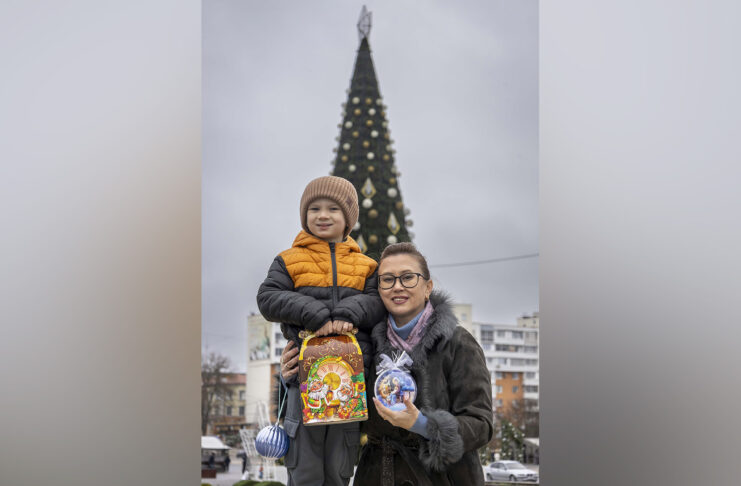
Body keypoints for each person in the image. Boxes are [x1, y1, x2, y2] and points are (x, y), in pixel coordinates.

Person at [257, 176, 386, 486]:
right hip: (305, 381)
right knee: (305, 466)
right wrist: (315, 316)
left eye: (333, 209)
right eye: (314, 209)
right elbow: (268, 298)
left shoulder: (367, 266)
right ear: (304, 215)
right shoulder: (288, 260)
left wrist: (347, 314)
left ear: (348, 217)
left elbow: (376, 303)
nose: (323, 215)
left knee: (339, 465)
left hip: (350, 383)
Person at [354, 242, 494, 486]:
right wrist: (291, 376)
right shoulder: (365, 344)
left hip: (442, 477)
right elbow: (342, 406)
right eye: (387, 279)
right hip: (377, 474)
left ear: (428, 287)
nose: (397, 286)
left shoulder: (457, 343)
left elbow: (481, 425)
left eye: (408, 277)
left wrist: (424, 425)